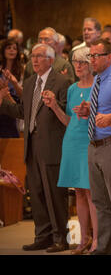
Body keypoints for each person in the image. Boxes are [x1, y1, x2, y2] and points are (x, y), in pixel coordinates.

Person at [0, 43, 71, 252]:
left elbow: (67, 113)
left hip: (52, 145)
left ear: (50, 59)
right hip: (31, 145)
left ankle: (60, 237)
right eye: (33, 57)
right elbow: (24, 111)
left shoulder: (62, 81)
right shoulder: (30, 82)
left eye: (39, 56)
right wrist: (4, 101)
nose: (35, 60)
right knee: (37, 193)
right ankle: (43, 235)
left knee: (55, 194)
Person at [73, 39, 111, 255]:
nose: (92, 60)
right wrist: (88, 110)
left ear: (109, 57)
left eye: (96, 56)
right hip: (94, 144)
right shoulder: (97, 80)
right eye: (91, 56)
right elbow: (101, 108)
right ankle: (104, 245)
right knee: (99, 199)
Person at [41, 47, 98, 254]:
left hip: (89, 142)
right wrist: (54, 106)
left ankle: (97, 242)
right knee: (79, 193)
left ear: (91, 63)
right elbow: (68, 120)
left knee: (92, 193)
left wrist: (89, 112)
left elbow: (101, 119)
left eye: (82, 62)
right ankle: (83, 239)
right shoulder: (73, 89)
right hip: (71, 141)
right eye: (75, 62)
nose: (78, 66)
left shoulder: (97, 87)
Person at [0, 38, 25, 137]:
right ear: (3, 51)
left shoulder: (22, 70)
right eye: (8, 48)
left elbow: (23, 95)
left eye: (14, 48)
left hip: (14, 109)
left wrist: (14, 83)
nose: (12, 50)